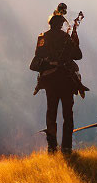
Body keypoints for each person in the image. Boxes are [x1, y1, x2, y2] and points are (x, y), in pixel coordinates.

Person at [30, 11, 83, 154]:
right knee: (68, 115)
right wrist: (74, 37)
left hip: (51, 82)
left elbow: (35, 62)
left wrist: (48, 63)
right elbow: (78, 55)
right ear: (61, 24)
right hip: (66, 80)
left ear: (50, 23)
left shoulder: (43, 38)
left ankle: (52, 148)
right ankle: (67, 148)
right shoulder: (66, 38)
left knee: (51, 114)